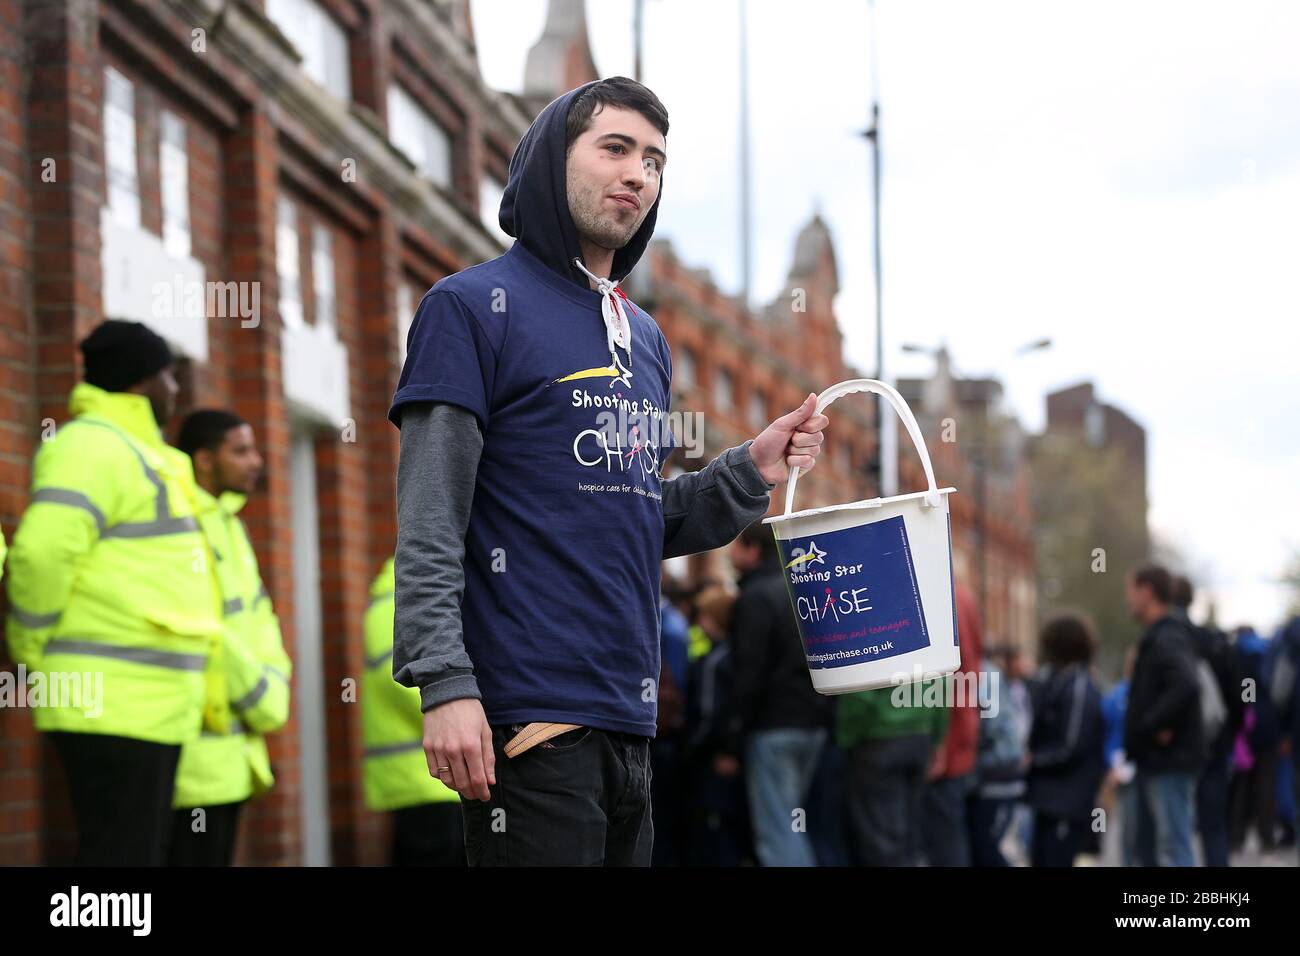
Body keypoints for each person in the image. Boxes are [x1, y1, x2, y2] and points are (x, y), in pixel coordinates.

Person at [387, 77, 830, 866]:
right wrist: (445, 685)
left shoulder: (645, 338)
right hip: (532, 721)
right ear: (554, 161)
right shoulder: (469, 307)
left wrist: (749, 470)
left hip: (632, 725)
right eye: (616, 149)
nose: (639, 175)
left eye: (655, 161)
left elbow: (632, 513)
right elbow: (429, 516)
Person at [5, 320, 222, 865]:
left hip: (141, 706)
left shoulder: (132, 450)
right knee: (119, 865)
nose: (176, 390)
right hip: (111, 702)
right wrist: (29, 649)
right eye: (170, 376)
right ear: (143, 381)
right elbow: (41, 552)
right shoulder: (92, 446)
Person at [168, 410, 292, 865]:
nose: (255, 461)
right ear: (204, 460)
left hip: (232, 761)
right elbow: (206, 629)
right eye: (240, 451)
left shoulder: (231, 526)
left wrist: (274, 688)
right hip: (191, 767)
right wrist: (266, 698)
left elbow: (262, 624)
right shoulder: (181, 522)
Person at [721, 521, 834, 866]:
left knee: (778, 830)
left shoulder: (756, 596)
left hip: (773, 725)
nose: (729, 552)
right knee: (794, 822)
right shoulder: (800, 591)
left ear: (753, 550)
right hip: (813, 722)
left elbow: (749, 672)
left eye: (736, 544)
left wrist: (731, 736)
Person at [362, 558, 464, 866]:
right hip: (425, 782)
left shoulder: (403, 600)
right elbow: (402, 683)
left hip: (438, 778)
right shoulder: (393, 602)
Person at [1124, 564, 1204, 867]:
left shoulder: (1167, 635)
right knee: (1154, 851)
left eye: (1130, 591)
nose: (1128, 599)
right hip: (1156, 760)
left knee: (1173, 850)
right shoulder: (1160, 635)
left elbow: (1186, 683)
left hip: (1169, 760)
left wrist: (1155, 723)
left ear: (1147, 591)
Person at [838, 677, 948, 867]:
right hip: (920, 735)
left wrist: (845, 738)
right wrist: (937, 738)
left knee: (882, 841)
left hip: (879, 739)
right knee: (909, 835)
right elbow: (942, 684)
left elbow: (859, 694)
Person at [1024, 612, 1106, 867]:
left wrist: (1032, 760)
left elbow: (1071, 746)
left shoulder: (1078, 687)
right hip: (1050, 798)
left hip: (1065, 800)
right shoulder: (1060, 681)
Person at [1170, 574, 1240, 867]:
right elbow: (1238, 698)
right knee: (1214, 827)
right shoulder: (1215, 641)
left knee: (1175, 831)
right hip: (1214, 746)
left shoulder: (1168, 639)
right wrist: (1226, 737)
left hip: (1175, 749)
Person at [920, 580, 984, 866]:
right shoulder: (960, 591)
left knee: (943, 843)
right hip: (958, 732)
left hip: (947, 738)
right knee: (949, 837)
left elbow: (952, 672)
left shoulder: (940, 592)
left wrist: (941, 742)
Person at [968, 652, 1026, 867]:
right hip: (990, 775)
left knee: (986, 850)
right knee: (983, 848)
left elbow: (989, 725)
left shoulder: (983, 672)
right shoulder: (984, 669)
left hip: (995, 776)